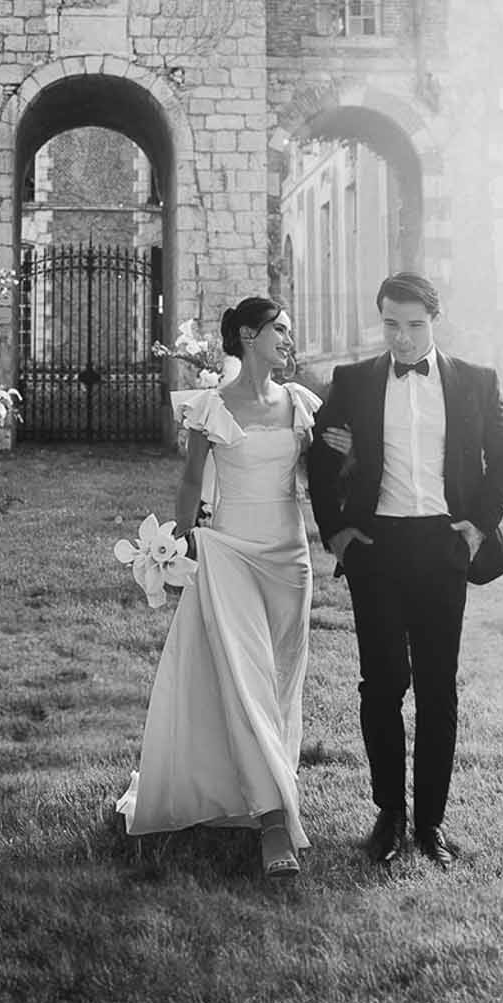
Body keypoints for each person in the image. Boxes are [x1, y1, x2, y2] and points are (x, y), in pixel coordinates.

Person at [307, 273, 503, 869]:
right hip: (377, 547)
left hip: (443, 546)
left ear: (434, 321)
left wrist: (478, 525)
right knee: (380, 687)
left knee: (436, 688)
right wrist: (339, 532)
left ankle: (430, 823)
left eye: (414, 325)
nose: (401, 338)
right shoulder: (352, 383)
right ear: (381, 322)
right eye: (391, 325)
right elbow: (320, 459)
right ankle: (388, 816)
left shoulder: (476, 382)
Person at [116, 298, 321, 879]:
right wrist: (178, 549)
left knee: (281, 682)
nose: (288, 337)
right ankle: (275, 822)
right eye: (279, 329)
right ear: (249, 336)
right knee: (246, 677)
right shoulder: (210, 408)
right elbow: (189, 481)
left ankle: (268, 783)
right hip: (229, 552)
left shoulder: (299, 403)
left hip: (290, 559)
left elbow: (312, 479)